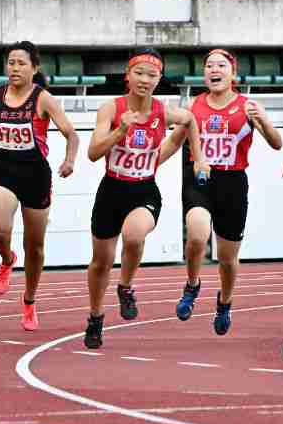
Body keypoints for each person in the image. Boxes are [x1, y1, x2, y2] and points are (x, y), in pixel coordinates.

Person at [82, 49, 201, 350]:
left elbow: (190, 120)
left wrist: (197, 158)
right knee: (101, 262)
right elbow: (94, 153)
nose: (145, 80)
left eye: (152, 75)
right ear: (128, 75)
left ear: (159, 79)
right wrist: (120, 130)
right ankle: (95, 317)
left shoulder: (163, 112)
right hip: (111, 189)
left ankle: (125, 286)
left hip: (144, 189)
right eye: (139, 73)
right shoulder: (111, 108)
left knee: (133, 235)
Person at [0, 42, 79, 331]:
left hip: (36, 174)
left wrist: (69, 161)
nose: (14, 68)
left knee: (35, 248)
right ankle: (6, 258)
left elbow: (71, 135)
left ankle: (29, 301)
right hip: (3, 170)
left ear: (34, 68)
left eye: (21, 63)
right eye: (11, 63)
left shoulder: (44, 99)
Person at [165, 49, 282, 335]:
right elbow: (174, 141)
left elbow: (277, 143)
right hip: (201, 179)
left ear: (233, 74)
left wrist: (263, 121)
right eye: (208, 66)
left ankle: (225, 302)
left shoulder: (248, 106)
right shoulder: (194, 106)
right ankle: (192, 285)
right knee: (196, 233)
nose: (213, 70)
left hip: (232, 183)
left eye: (220, 66)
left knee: (228, 260)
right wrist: (149, 164)